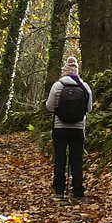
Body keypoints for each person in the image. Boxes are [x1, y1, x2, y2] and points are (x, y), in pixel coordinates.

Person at [45, 56, 92, 200]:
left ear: (65, 71)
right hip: (78, 129)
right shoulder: (85, 87)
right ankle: (77, 190)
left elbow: (49, 106)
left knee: (60, 158)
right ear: (77, 72)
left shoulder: (57, 86)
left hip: (59, 128)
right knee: (76, 159)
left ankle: (59, 189)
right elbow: (89, 109)